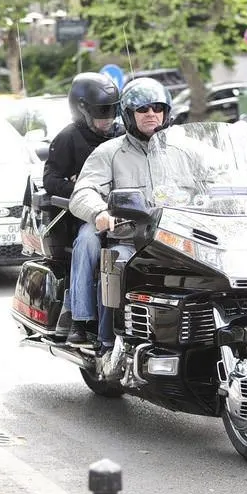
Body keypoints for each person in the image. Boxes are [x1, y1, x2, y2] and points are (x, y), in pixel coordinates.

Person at [69, 77, 172, 353]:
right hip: (130, 238)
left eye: (157, 107)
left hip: (176, 240)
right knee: (116, 262)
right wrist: (99, 212)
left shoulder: (181, 152)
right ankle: (105, 343)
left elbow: (218, 173)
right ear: (128, 114)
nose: (151, 114)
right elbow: (83, 192)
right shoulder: (109, 153)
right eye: (143, 109)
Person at [44, 72, 121, 343]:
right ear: (81, 109)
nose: (108, 119)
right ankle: (79, 316)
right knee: (87, 242)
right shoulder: (68, 138)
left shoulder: (123, 134)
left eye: (113, 111)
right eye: (102, 112)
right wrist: (78, 189)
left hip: (126, 212)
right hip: (86, 213)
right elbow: (50, 179)